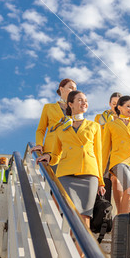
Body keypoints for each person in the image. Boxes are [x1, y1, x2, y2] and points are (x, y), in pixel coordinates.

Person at [36, 90, 105, 239]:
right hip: (66, 174)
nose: (84, 103)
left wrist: (101, 181)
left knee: (84, 217)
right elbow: (55, 154)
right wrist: (47, 156)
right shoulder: (60, 127)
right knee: (61, 212)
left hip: (88, 173)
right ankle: (56, 249)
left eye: (85, 100)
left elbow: (99, 155)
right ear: (70, 104)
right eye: (80, 100)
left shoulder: (94, 126)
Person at [102, 95, 130, 214]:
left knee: (129, 192)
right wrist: (100, 172)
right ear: (119, 107)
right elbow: (105, 149)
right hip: (118, 162)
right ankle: (122, 220)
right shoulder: (111, 125)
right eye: (128, 106)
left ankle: (120, 220)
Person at [31, 78, 77, 165]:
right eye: (71, 88)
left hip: (70, 152)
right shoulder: (49, 107)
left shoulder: (76, 111)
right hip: (51, 152)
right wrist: (39, 144)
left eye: (75, 89)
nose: (73, 91)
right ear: (61, 89)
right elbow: (41, 129)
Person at [94, 92, 122, 202]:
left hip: (118, 154)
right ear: (110, 103)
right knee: (103, 183)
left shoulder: (124, 121)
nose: (115, 106)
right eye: (113, 103)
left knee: (118, 183)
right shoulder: (99, 118)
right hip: (103, 153)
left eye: (118, 103)